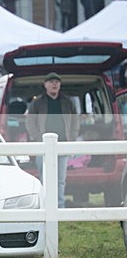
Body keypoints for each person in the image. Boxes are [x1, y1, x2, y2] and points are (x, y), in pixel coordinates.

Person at [25, 73, 80, 208]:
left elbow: (75, 121)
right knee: (45, 178)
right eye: (51, 81)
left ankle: (59, 206)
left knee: (60, 179)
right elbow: (30, 121)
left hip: (62, 146)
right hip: (43, 147)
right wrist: (37, 137)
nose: (54, 84)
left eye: (57, 81)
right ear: (45, 85)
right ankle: (46, 206)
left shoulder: (67, 102)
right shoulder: (38, 102)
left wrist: (72, 137)